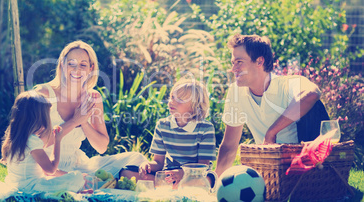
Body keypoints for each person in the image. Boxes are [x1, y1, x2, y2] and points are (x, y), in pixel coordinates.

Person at [215, 34, 324, 177]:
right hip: (268, 170)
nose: (233, 68)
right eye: (233, 62)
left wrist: (272, 131)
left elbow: (312, 94)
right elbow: (229, 146)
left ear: (259, 61)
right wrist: (214, 182)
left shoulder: (287, 84)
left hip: (303, 169)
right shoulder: (235, 91)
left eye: (239, 62)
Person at [34, 40, 147, 178]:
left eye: (83, 65)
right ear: (63, 65)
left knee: (136, 158)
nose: (77, 70)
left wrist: (84, 122)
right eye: (71, 64)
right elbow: (34, 143)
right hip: (45, 166)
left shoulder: (93, 97)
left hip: (77, 165)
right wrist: (75, 121)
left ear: (90, 68)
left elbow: (101, 147)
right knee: (85, 181)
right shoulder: (44, 93)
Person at [135, 78, 217, 188]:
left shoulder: (206, 128)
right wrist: (147, 165)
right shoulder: (162, 125)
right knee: (126, 173)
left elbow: (203, 165)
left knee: (205, 180)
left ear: (195, 107)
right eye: (172, 97)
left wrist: (183, 173)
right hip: (169, 174)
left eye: (180, 99)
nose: (172, 102)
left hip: (195, 176)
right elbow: (159, 163)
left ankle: (170, 186)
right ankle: (172, 186)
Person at [1, 91, 85, 194]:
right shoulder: (32, 141)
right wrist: (57, 139)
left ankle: (76, 187)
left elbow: (45, 171)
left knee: (74, 176)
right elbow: (51, 170)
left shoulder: (16, 139)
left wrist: (67, 174)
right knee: (76, 178)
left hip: (20, 184)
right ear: (39, 118)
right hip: (31, 188)